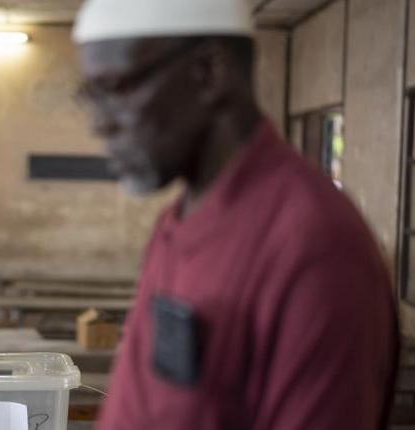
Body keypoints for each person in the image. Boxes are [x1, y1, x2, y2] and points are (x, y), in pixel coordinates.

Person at [72, 1, 398, 429]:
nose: (99, 125)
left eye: (115, 89)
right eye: (90, 96)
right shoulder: (177, 221)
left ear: (208, 72)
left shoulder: (312, 247)